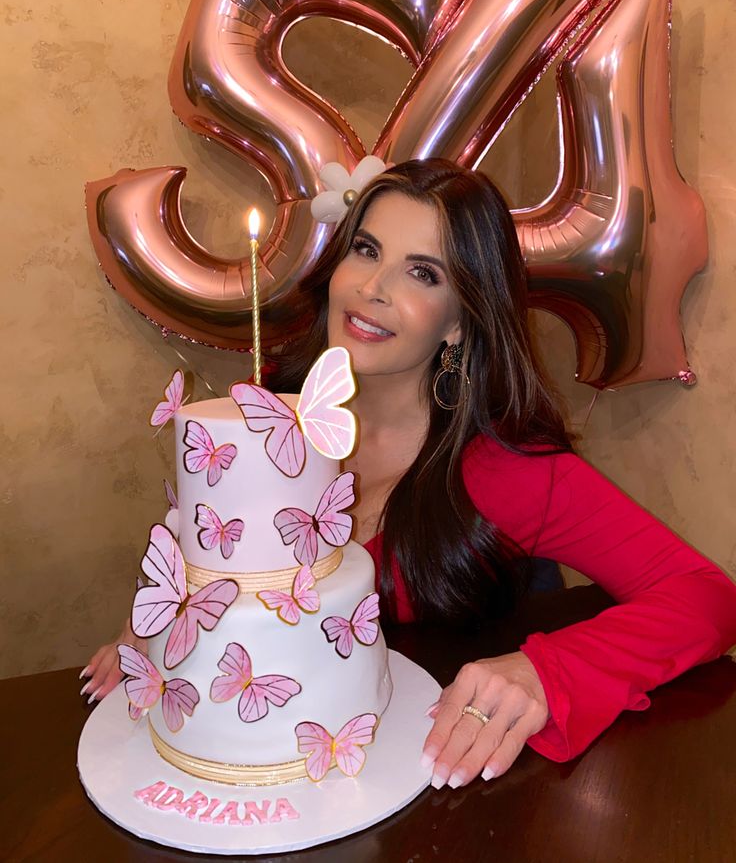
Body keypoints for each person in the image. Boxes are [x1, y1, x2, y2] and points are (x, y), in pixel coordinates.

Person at [82, 158, 736, 790]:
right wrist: (163, 623)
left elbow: (706, 595)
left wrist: (547, 671)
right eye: (365, 250)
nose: (372, 287)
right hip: (253, 778)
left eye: (422, 272)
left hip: (433, 783)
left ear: (458, 320)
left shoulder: (507, 472)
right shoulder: (262, 419)